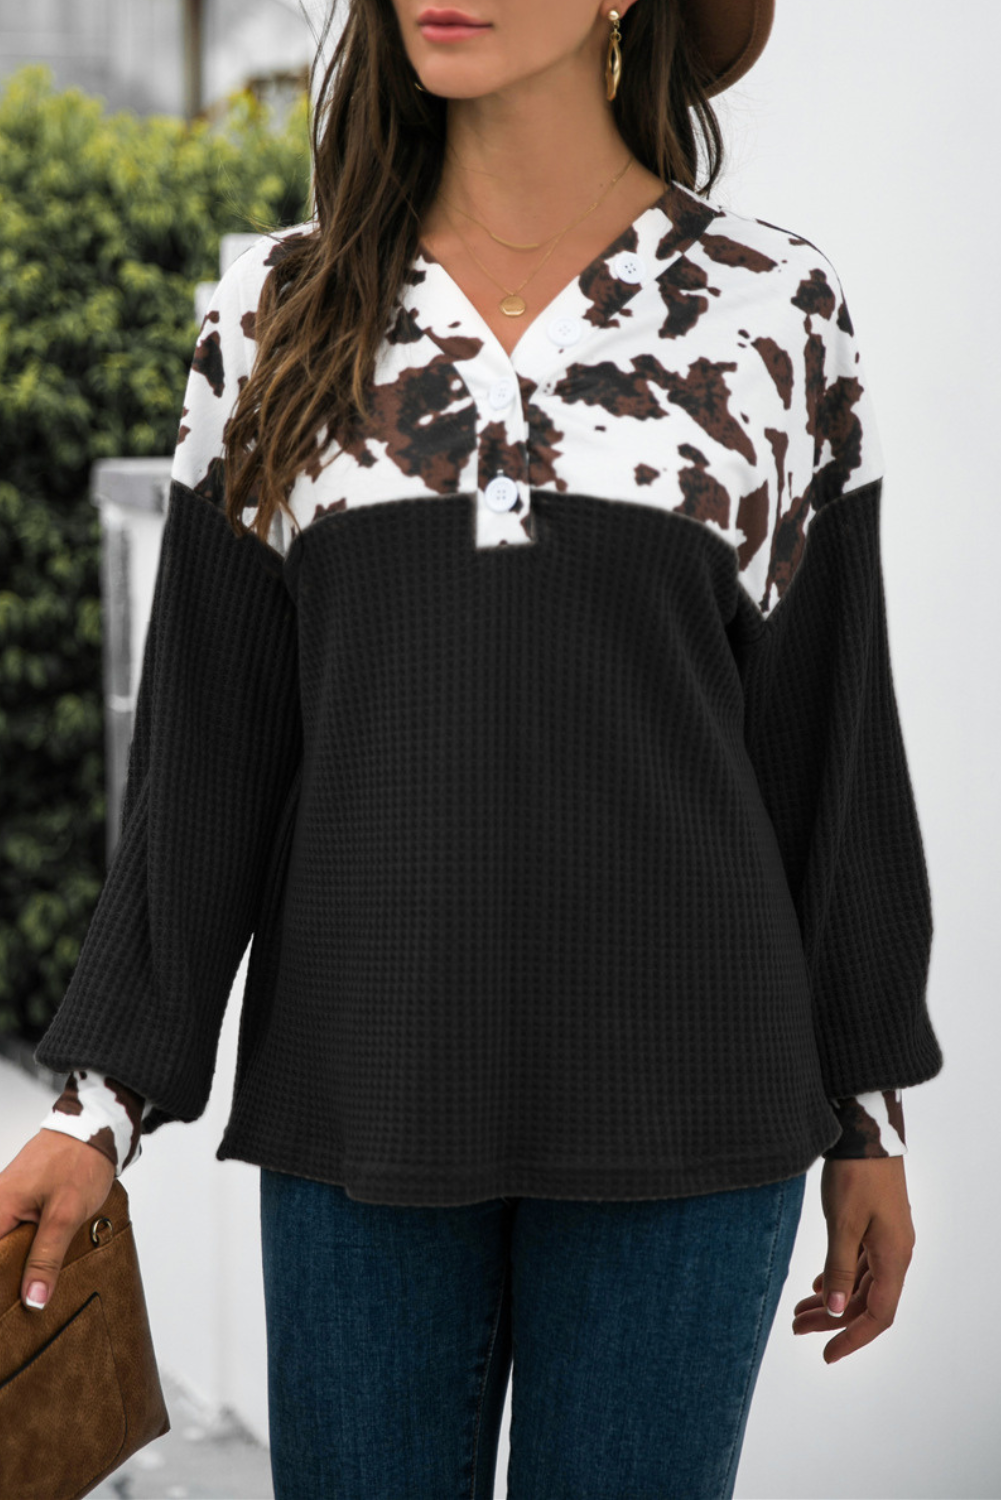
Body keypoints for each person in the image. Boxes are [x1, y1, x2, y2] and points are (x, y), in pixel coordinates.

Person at [0, 0, 944, 1494]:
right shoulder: (275, 317)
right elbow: (206, 769)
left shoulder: (774, 310)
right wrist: (96, 1105)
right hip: (359, 1103)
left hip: (695, 1114)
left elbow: (830, 752)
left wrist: (868, 1114)